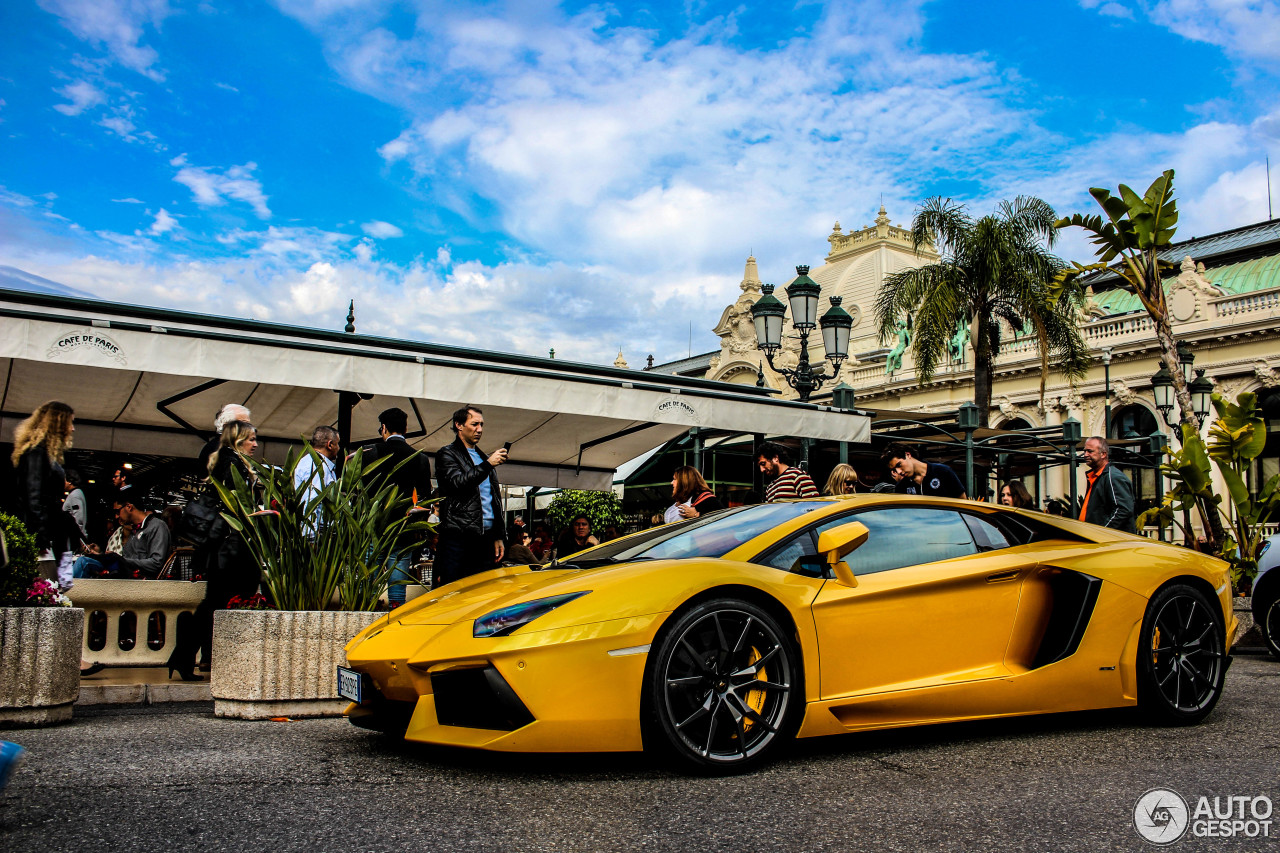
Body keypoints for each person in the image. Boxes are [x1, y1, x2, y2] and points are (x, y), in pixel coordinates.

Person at [167, 421, 262, 681]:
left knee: (213, 604)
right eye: (251, 439)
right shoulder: (233, 464)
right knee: (220, 603)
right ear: (238, 439)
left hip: (221, 547)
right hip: (230, 548)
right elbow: (236, 508)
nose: (255, 444)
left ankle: (183, 657)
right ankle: (186, 656)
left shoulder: (224, 460)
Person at [434, 405, 507, 587]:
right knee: (455, 591)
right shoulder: (447, 454)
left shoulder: (482, 457)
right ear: (459, 425)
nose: (479, 429)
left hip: (485, 536)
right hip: (459, 535)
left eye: (482, 424)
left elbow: (493, 500)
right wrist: (488, 464)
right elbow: (457, 483)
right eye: (474, 424)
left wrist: (497, 534)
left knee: (483, 593)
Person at [366, 408, 433, 608]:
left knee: (370, 576)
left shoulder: (370, 454)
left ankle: (369, 608)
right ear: (405, 429)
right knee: (398, 573)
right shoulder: (420, 458)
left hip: (374, 526)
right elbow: (424, 498)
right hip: (403, 527)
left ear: (384, 428)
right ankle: (395, 608)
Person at [10, 401, 79, 590]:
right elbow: (32, 497)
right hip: (41, 535)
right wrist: (41, 537)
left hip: (43, 532)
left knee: (46, 589)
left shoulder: (37, 452)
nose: (72, 429)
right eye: (70, 423)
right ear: (58, 423)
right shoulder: (37, 453)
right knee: (44, 589)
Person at [72, 486, 171, 578]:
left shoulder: (157, 526)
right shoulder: (135, 530)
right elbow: (125, 560)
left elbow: (156, 563)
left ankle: (67, 595)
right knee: (83, 560)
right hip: (125, 574)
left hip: (140, 580)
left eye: (117, 511)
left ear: (129, 507)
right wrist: (102, 555)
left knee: (83, 562)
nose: (116, 516)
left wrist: (120, 560)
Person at [1079, 436, 1136, 533]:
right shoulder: (1097, 476)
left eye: (1090, 451)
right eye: (1084, 451)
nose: (1085, 454)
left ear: (1103, 454)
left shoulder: (1113, 477)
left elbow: (1123, 510)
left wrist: (1102, 532)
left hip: (1108, 542)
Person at [881, 443, 967, 499]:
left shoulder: (942, 471)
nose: (899, 471)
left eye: (899, 465)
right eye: (894, 469)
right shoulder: (902, 486)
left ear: (908, 455)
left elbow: (962, 500)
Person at [294, 425, 340, 502]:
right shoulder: (319, 466)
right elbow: (313, 502)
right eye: (337, 444)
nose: (338, 448)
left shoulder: (305, 461)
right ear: (330, 445)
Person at [62, 468, 89, 543]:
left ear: (70, 481)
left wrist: (77, 540)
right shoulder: (75, 494)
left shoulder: (75, 495)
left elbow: (78, 519)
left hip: (76, 539)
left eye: (64, 480)